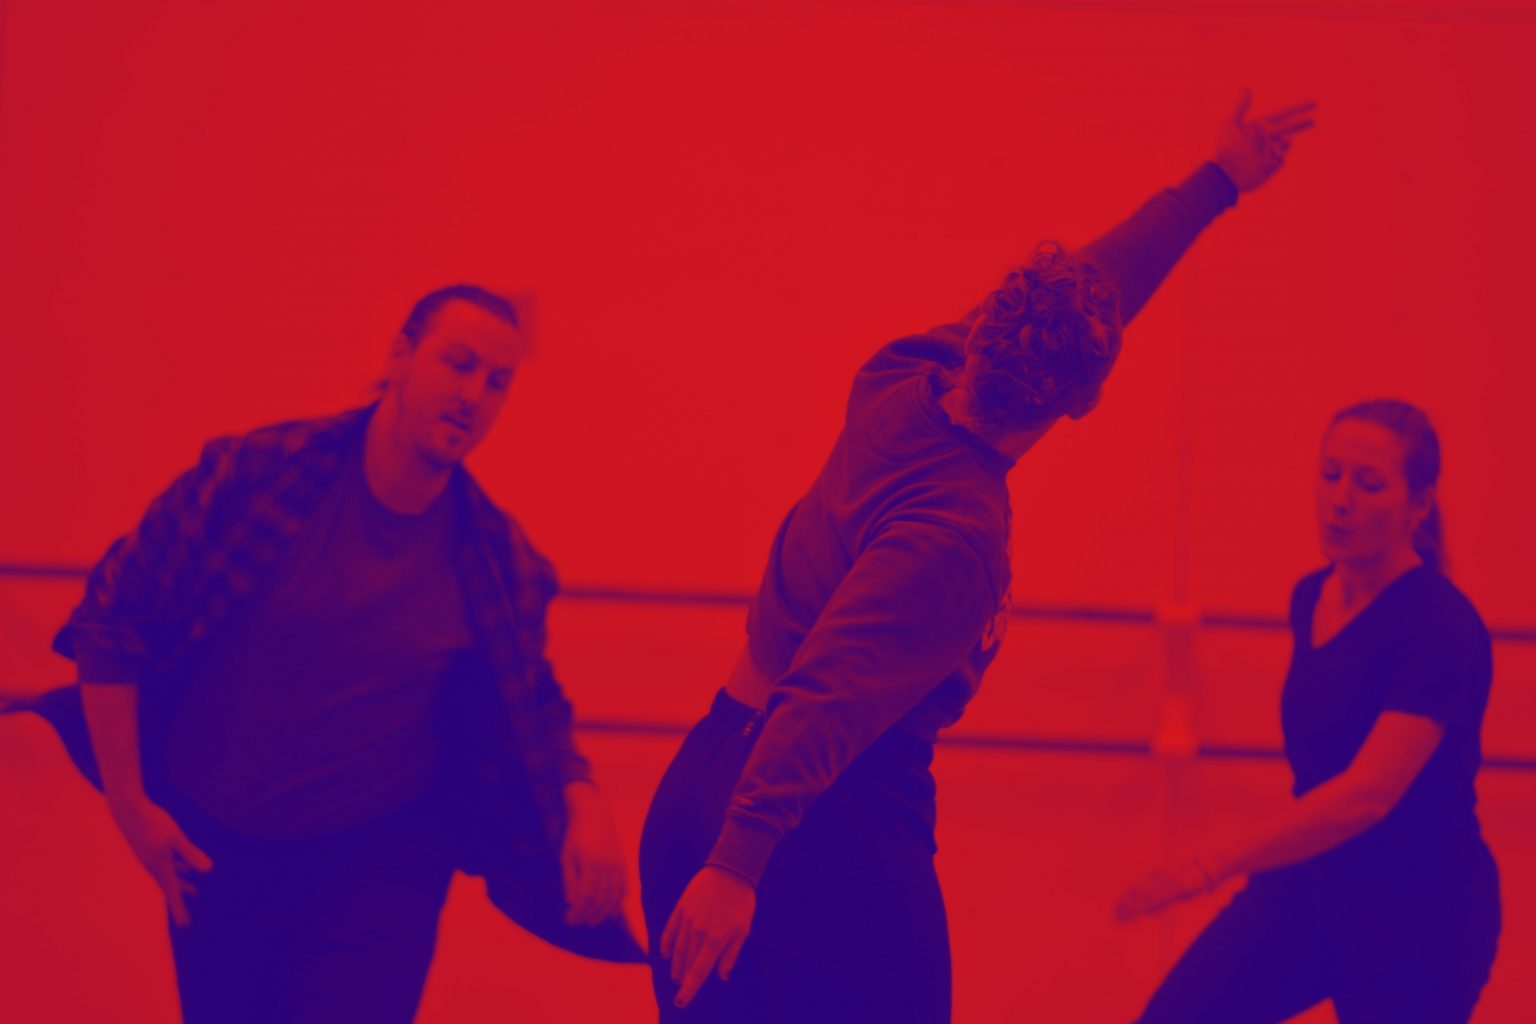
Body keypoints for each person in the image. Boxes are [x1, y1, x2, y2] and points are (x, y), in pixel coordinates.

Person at [639, 92, 1317, 1022]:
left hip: (708, 769)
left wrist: (1218, 180)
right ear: (1080, 402)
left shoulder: (903, 377)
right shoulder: (957, 534)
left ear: (985, 327)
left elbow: (1090, 288)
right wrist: (736, 862)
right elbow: (827, 688)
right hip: (815, 817)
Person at [23, 285, 642, 1022]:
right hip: (220, 846)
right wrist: (132, 807)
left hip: (382, 864)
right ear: (400, 356)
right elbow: (114, 617)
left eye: (497, 382)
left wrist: (583, 797)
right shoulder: (259, 475)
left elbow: (530, 698)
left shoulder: (495, 556)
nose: (473, 395)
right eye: (459, 364)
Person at [1118, 400, 1501, 1023]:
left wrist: (1210, 865)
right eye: (1330, 475)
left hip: (1420, 913)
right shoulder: (1311, 597)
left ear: (1419, 505)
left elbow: (1367, 794)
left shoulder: (1441, 626)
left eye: (1368, 483)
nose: (1339, 500)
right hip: (1313, 887)